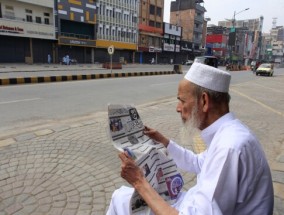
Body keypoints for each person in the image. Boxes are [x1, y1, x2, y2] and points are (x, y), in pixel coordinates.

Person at [107, 63, 274, 215]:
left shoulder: (229, 146)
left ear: (204, 101)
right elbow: (198, 163)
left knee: (122, 200)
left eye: (182, 100)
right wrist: (164, 142)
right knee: (120, 197)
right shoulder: (229, 134)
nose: (178, 108)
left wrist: (139, 182)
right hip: (193, 202)